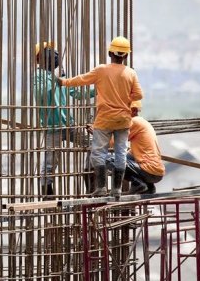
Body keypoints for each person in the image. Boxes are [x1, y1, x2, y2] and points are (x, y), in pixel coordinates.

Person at [58, 36, 143, 197]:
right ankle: (117, 189)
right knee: (120, 152)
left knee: (98, 153)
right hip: (123, 120)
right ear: (126, 56)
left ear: (110, 52)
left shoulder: (101, 70)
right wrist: (125, 99)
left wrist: (63, 82)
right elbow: (138, 94)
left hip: (104, 119)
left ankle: (101, 187)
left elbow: (81, 80)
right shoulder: (131, 73)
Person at [33, 41, 94, 198]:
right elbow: (41, 94)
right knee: (49, 164)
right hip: (52, 127)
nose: (53, 56)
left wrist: (100, 87)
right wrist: (57, 80)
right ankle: (48, 195)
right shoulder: (38, 76)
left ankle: (90, 178)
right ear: (40, 58)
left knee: (94, 145)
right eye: (49, 52)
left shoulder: (58, 75)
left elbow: (77, 93)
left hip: (69, 125)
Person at [126, 100, 164, 194]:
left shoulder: (134, 121)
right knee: (126, 157)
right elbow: (132, 153)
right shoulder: (143, 123)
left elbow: (115, 142)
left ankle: (138, 184)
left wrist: (98, 134)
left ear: (134, 110)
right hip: (156, 172)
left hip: (150, 171)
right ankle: (149, 187)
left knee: (113, 161)